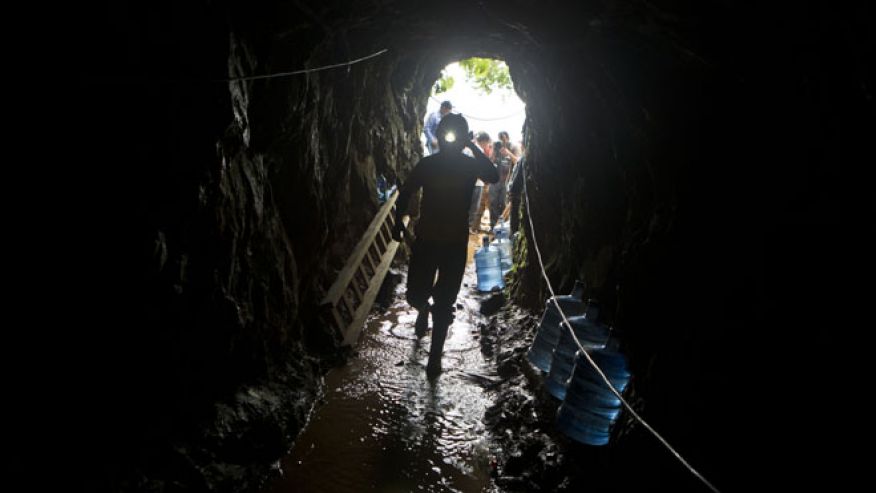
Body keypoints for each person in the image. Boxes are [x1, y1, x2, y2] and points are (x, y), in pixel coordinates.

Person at [393, 114, 498, 377]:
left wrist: (472, 146)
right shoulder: (428, 164)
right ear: (438, 136)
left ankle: (435, 358)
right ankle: (423, 309)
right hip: (427, 239)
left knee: (445, 302)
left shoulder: (468, 165)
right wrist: (397, 222)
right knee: (415, 295)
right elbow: (406, 191)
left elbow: (493, 176)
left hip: (453, 243)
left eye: (456, 135)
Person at [488, 131, 520, 230]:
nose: (502, 141)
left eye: (504, 138)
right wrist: (493, 149)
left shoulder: (513, 147)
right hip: (495, 180)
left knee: (503, 204)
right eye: (500, 138)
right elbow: (490, 162)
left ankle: (502, 227)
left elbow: (517, 161)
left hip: (507, 180)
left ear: (508, 138)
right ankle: (493, 225)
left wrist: (508, 153)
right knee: (493, 203)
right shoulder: (496, 147)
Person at [467, 132, 493, 234]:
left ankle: (469, 226)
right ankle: (469, 227)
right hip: (477, 182)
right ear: (484, 141)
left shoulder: (469, 149)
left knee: (471, 205)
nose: (487, 145)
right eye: (487, 143)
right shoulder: (478, 150)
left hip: (472, 182)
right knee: (474, 206)